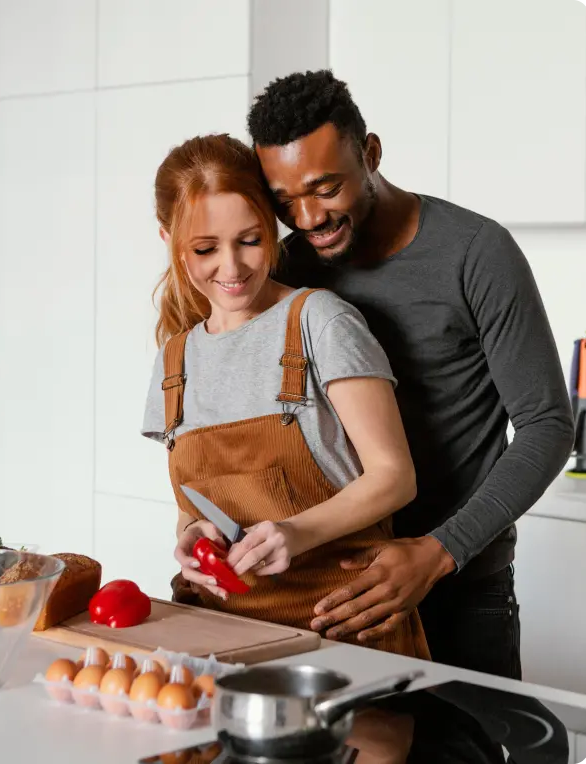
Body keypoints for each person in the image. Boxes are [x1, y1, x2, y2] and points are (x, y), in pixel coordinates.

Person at [246, 69, 575, 762]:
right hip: (336, 598)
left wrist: (437, 553)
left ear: (371, 151)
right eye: (285, 200)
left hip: (463, 594)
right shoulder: (291, 268)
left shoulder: (476, 253)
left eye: (325, 187)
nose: (308, 218)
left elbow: (548, 425)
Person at [142, 134, 429, 763]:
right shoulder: (176, 358)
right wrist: (193, 539)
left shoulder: (320, 321)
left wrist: (295, 534)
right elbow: (195, 504)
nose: (233, 267)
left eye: (250, 238)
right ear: (167, 237)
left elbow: (393, 476)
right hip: (219, 643)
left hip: (340, 639)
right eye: (204, 248)